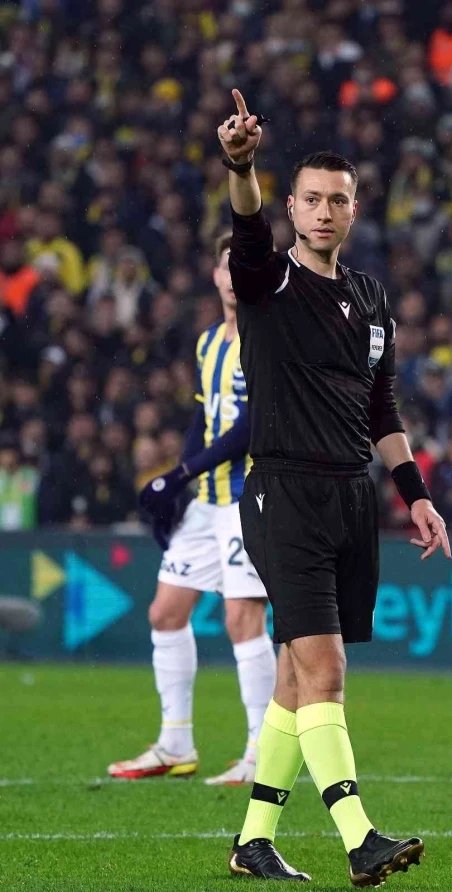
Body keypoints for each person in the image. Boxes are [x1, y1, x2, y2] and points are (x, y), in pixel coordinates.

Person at [217, 90, 451, 886]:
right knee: (327, 671)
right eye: (311, 199)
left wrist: (416, 493)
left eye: (337, 201)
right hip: (284, 494)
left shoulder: (373, 298)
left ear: (354, 209)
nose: (324, 211)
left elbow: (382, 408)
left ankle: (254, 841)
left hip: (353, 496)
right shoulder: (266, 281)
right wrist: (242, 165)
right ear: (292, 206)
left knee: (295, 678)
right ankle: (361, 839)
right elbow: (247, 230)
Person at [107, 231, 276, 786]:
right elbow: (203, 420)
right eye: (228, 265)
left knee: (242, 619)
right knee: (165, 612)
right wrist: (177, 485)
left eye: (245, 266)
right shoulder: (207, 344)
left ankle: (261, 752)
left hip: (250, 497)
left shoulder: (267, 337)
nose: (234, 276)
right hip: (208, 500)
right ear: (215, 274)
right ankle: (175, 743)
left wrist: (179, 473)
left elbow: (250, 427)